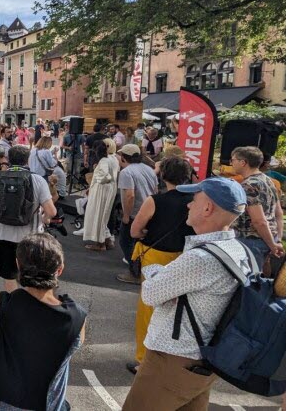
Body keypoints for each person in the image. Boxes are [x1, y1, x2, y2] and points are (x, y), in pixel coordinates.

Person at [122, 177, 252, 410]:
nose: (188, 205)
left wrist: (156, 271)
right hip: (206, 357)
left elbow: (150, 293)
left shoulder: (200, 259)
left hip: (172, 357)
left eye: (194, 199)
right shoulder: (240, 251)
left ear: (207, 208)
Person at [0, 233, 87, 411]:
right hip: (45, 404)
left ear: (18, 264)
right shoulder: (77, 318)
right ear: (59, 270)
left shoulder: (2, 304)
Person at [126, 156, 195, 374]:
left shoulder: (155, 201)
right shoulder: (197, 200)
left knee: (149, 308)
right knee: (179, 310)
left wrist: (145, 233)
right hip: (186, 257)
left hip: (156, 257)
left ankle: (144, 360)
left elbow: (135, 231)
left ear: (163, 175)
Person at [0, 145, 57, 292]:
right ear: (27, 160)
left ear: (8, 159)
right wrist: (45, 218)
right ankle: (29, 307)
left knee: (9, 276)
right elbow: (51, 210)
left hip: (3, 236)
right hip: (31, 237)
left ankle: (14, 306)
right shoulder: (38, 180)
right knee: (33, 277)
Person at [230, 146, 285, 262]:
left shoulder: (249, 185)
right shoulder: (268, 180)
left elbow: (259, 221)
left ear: (243, 162)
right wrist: (277, 240)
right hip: (269, 237)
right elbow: (279, 213)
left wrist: (272, 245)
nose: (231, 163)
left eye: (233, 160)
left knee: (250, 277)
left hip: (251, 241)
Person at [116, 144, 159, 284]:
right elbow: (156, 189)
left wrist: (126, 216)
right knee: (140, 243)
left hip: (135, 213)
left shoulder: (126, 172)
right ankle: (140, 269)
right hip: (150, 211)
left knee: (125, 241)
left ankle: (135, 272)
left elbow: (130, 196)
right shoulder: (148, 169)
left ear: (123, 157)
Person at [83, 139, 120, 251]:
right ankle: (107, 239)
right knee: (104, 215)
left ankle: (100, 243)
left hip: (102, 190)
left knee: (98, 214)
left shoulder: (104, 160)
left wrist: (97, 178)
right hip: (110, 189)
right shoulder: (114, 158)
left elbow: (105, 176)